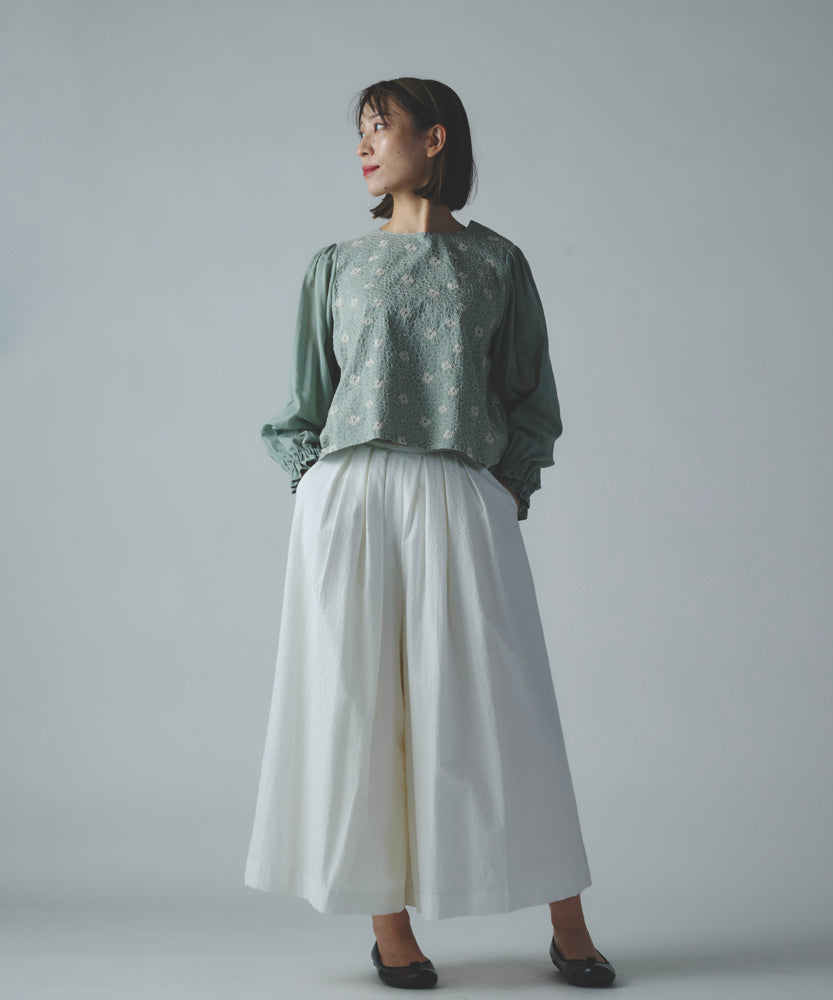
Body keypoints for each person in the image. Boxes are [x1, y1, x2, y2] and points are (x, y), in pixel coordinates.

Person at [243, 77, 617, 990]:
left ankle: (568, 922)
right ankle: (390, 930)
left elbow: (531, 398)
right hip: (349, 496)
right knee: (359, 705)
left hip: (457, 488)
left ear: (435, 138)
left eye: (382, 128)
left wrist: (501, 490)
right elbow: (304, 402)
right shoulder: (335, 265)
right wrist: (315, 486)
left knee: (505, 705)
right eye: (361, 132)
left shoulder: (497, 264)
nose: (364, 146)